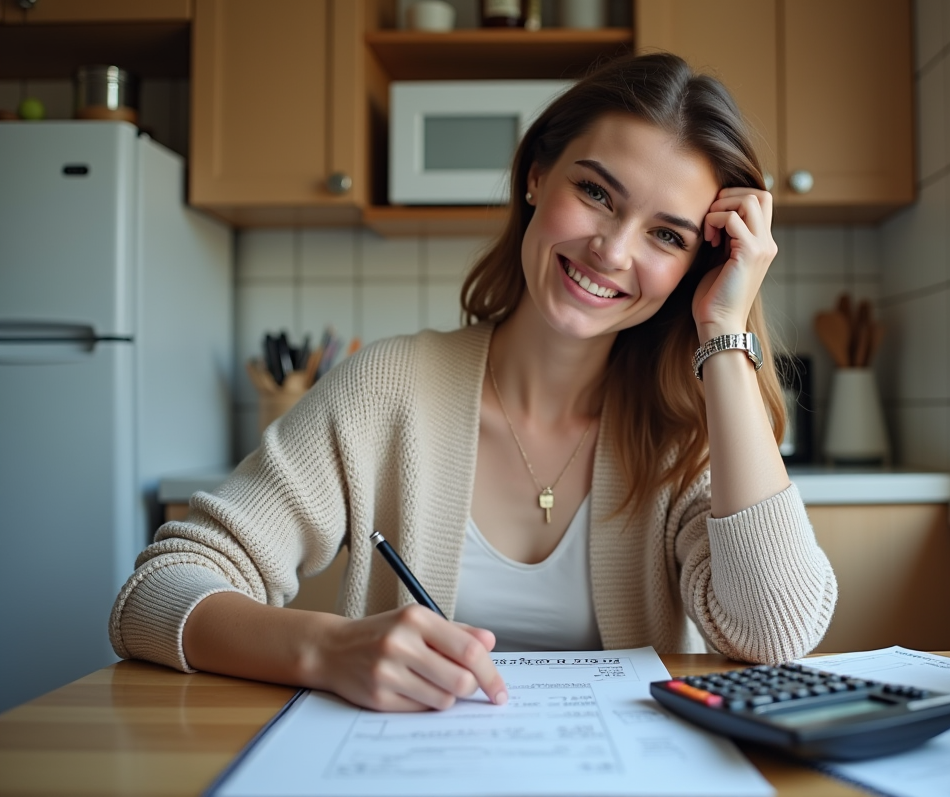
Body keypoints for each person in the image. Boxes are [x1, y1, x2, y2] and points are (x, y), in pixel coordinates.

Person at [108, 53, 837, 713]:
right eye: (596, 193)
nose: (612, 251)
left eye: (667, 236)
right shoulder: (386, 389)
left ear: (695, 268)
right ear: (535, 176)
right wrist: (325, 650)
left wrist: (724, 330)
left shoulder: (689, 429)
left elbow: (775, 634)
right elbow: (155, 594)